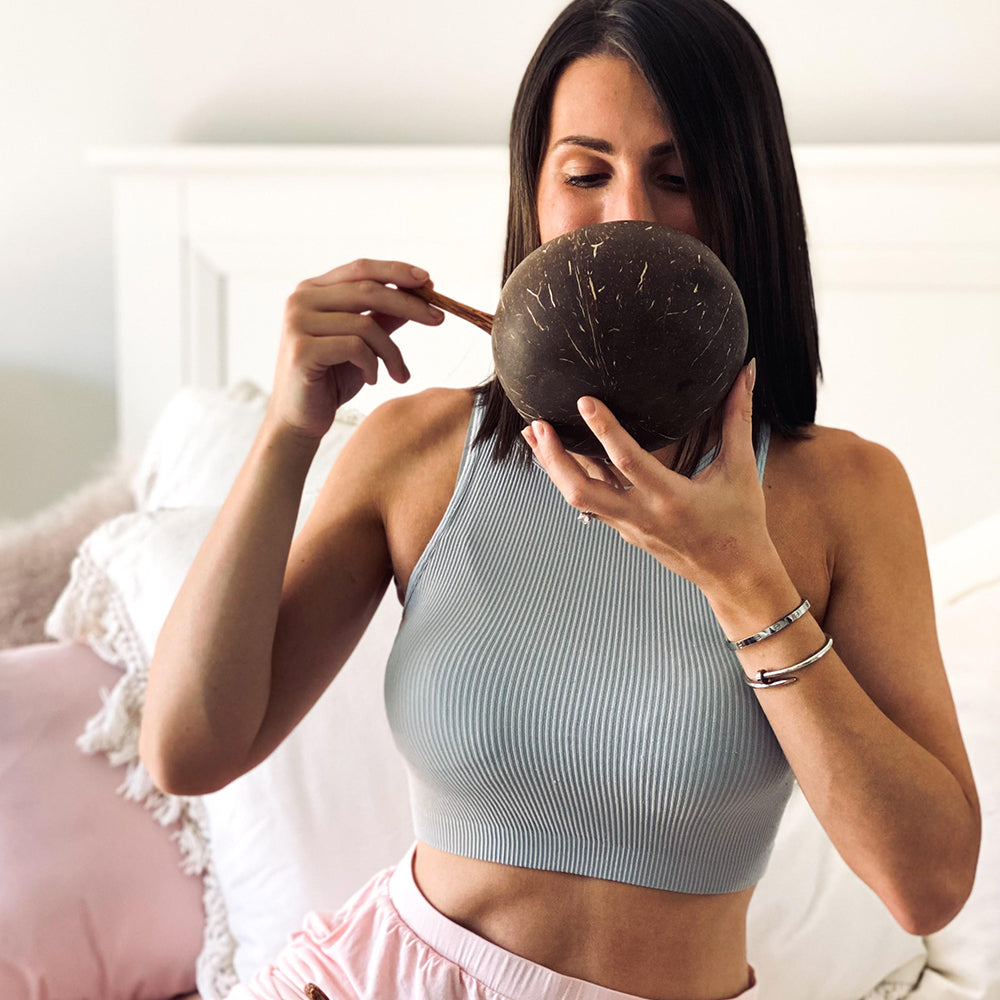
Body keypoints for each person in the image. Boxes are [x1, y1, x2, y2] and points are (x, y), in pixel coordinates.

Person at [139, 1, 981, 998]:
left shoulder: (841, 492)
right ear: (531, 200)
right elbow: (189, 750)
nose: (627, 211)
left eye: (676, 177)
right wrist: (289, 431)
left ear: (745, 201)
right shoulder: (416, 453)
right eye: (585, 172)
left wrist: (742, 579)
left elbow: (925, 886)